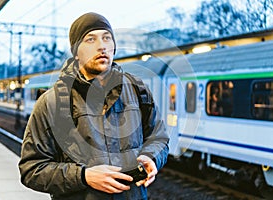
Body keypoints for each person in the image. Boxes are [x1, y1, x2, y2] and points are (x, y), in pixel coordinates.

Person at [18, 12, 169, 200]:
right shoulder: (52, 102)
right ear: (76, 51)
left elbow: (159, 138)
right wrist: (83, 176)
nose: (101, 46)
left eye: (107, 38)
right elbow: (31, 169)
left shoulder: (138, 92)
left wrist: (151, 157)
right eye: (90, 39)